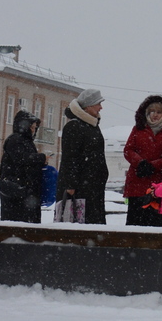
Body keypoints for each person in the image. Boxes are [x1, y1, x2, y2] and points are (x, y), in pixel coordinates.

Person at [123, 95, 162, 226]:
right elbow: (128, 150)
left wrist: (154, 165)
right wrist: (140, 163)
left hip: (158, 184)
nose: (155, 115)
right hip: (137, 181)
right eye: (152, 111)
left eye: (159, 112)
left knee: (154, 223)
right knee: (135, 223)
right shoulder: (138, 129)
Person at [57, 88, 108, 225]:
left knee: (92, 224)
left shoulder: (93, 126)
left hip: (93, 186)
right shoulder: (74, 126)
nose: (101, 108)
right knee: (80, 224)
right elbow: (70, 158)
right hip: (80, 188)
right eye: (98, 104)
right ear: (87, 107)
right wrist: (70, 185)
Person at [0, 111, 44, 223]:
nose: (33, 130)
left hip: (25, 190)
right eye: (31, 127)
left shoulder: (26, 141)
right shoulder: (15, 139)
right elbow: (21, 159)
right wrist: (41, 158)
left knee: (27, 224)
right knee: (17, 224)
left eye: (35, 128)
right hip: (17, 190)